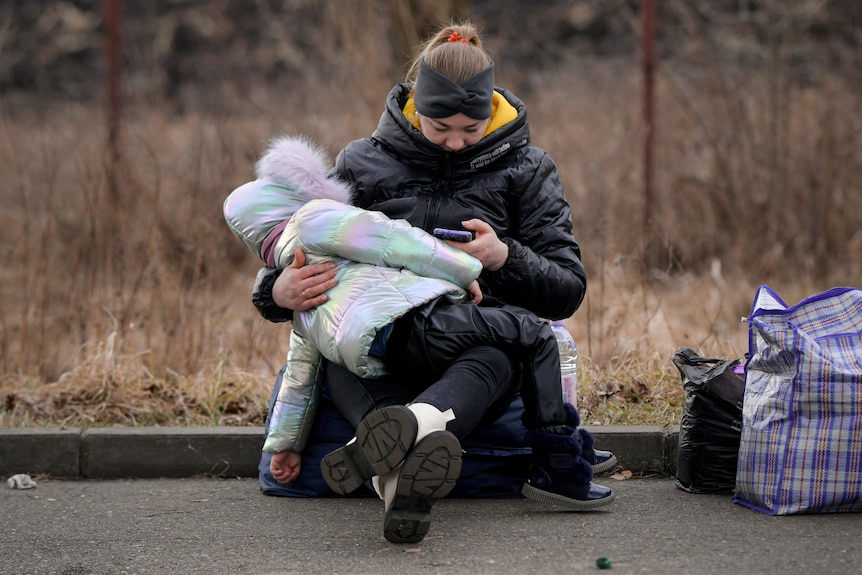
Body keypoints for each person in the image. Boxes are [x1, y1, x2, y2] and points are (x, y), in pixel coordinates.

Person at [249, 22, 616, 543]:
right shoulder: (361, 162)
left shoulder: (528, 169)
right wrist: (276, 291)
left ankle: (399, 446)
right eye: (442, 127)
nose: (456, 142)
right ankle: (406, 458)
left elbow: (566, 289)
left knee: (496, 358)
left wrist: (502, 256)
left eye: (473, 128)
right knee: (338, 351)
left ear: (492, 111)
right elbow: (306, 241)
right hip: (378, 338)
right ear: (418, 107)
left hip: (473, 339)